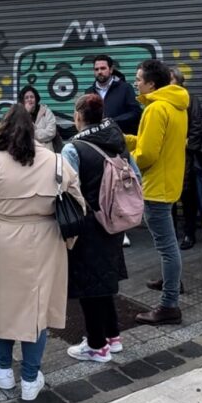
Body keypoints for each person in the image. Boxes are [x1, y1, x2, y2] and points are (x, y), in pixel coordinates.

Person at [0, 106, 83, 400]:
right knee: (39, 308)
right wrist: (67, 241)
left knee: (3, 303)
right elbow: (78, 204)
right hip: (47, 239)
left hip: (6, 237)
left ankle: (3, 369)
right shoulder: (56, 161)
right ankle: (31, 379)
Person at [60, 94, 132, 362]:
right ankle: (113, 338)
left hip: (88, 223)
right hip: (114, 220)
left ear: (79, 116)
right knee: (105, 280)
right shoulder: (117, 140)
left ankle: (96, 345)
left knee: (89, 285)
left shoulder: (74, 148)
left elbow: (66, 188)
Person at [126, 59, 188, 325]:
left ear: (151, 83)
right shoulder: (175, 104)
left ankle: (169, 304)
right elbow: (154, 143)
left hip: (156, 187)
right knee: (169, 243)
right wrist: (125, 139)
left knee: (167, 247)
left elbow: (148, 154)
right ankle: (170, 282)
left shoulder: (156, 109)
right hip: (169, 182)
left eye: (139, 79)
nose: (136, 82)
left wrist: (125, 158)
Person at [169, 68, 202, 250]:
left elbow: (197, 127)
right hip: (168, 157)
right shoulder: (162, 101)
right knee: (168, 198)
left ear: (179, 81)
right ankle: (171, 233)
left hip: (186, 157)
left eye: (170, 80)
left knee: (188, 197)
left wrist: (186, 145)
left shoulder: (190, 100)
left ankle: (189, 233)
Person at [84, 55, 142, 135]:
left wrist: (113, 121)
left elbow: (136, 112)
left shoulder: (125, 88)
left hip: (120, 139)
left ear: (111, 70)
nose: (99, 72)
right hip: (97, 140)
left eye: (103, 68)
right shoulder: (89, 92)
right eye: (96, 69)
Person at [18, 85, 58, 151]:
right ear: (23, 101)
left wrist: (32, 134)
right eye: (26, 98)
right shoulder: (20, 115)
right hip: (28, 154)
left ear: (36, 99)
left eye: (32, 97)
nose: (29, 99)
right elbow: (20, 134)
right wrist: (26, 113)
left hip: (46, 153)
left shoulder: (46, 112)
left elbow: (51, 132)